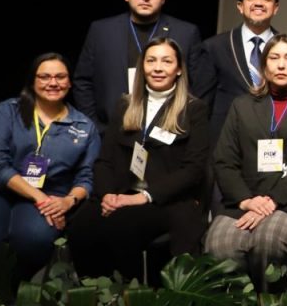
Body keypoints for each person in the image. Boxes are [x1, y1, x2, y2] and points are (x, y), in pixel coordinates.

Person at [66, 37, 211, 278]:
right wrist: (108, 195)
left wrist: (143, 197)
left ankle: (129, 295)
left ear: (178, 69)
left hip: (167, 199)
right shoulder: (125, 105)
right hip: (121, 192)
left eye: (166, 61)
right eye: (151, 61)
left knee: (122, 227)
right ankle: (92, 293)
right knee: (81, 227)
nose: (158, 68)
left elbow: (193, 170)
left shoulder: (194, 109)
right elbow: (104, 161)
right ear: (142, 66)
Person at [0, 52, 99, 277]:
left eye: (60, 77)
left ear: (70, 82)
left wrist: (67, 201)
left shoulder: (84, 126)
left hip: (49, 195)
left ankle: (18, 292)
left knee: (34, 238)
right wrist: (39, 197)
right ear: (32, 81)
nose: (53, 83)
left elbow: (86, 176)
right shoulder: (7, 111)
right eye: (45, 77)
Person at [204, 35, 287, 273]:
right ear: (264, 64)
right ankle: (237, 299)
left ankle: (271, 298)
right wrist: (247, 200)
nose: (281, 65)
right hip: (246, 198)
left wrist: (272, 200)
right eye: (274, 58)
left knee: (267, 241)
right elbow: (224, 160)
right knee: (220, 245)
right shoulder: (242, 106)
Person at [73, 0, 202, 128]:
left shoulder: (186, 33)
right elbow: (83, 82)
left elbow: (198, 86)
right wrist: (94, 126)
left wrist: (180, 124)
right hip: (110, 129)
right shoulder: (101, 31)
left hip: (166, 130)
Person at [191, 0, 280, 142]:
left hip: (273, 136)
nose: (258, 3)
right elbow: (202, 103)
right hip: (225, 138)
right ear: (240, 6)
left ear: (275, 8)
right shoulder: (215, 47)